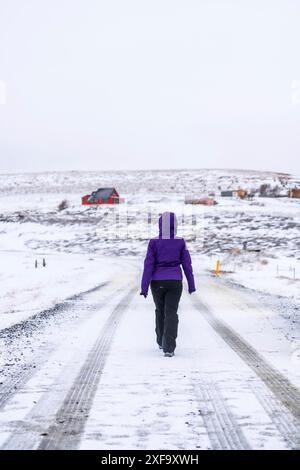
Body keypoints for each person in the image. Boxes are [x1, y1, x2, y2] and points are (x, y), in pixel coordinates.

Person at [140, 211, 196, 357]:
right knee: (171, 312)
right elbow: (187, 265)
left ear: (160, 225)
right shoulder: (180, 241)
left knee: (160, 310)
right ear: (174, 225)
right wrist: (191, 284)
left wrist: (144, 287)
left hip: (157, 283)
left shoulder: (153, 242)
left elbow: (148, 265)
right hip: (175, 282)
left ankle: (160, 340)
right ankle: (169, 348)